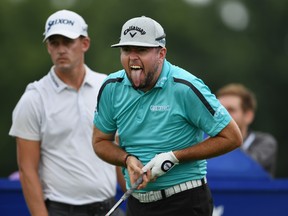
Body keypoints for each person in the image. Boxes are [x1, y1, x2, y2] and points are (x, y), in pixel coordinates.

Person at [92, 16, 242, 216]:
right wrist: (126, 159)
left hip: (185, 201)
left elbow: (232, 137)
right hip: (138, 203)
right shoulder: (111, 88)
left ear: (161, 53)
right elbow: (100, 141)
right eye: (127, 50)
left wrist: (175, 157)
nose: (133, 58)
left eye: (142, 50)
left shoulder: (185, 87)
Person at [9, 10, 125, 216]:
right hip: (60, 210)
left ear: (85, 44)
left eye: (68, 41)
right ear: (48, 47)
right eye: (54, 43)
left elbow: (117, 150)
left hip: (109, 207)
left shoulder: (107, 87)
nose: (61, 49)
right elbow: (27, 170)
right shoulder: (34, 98)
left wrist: (137, 202)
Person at [216, 83, 278, 177]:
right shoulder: (205, 140)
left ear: (248, 116)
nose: (223, 115)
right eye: (219, 110)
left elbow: (245, 166)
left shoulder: (266, 143)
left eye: (231, 110)